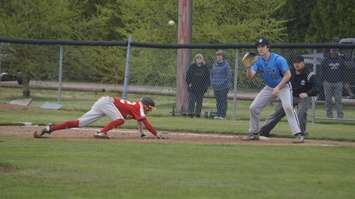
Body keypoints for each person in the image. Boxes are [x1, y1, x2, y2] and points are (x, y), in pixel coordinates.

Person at [245, 38, 304, 143]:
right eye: (258, 47)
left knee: (288, 107)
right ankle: (254, 133)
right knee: (253, 107)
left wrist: (278, 88)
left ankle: (298, 134)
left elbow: (288, 75)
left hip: (284, 86)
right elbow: (250, 76)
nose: (260, 49)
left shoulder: (278, 59)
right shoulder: (257, 61)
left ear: (268, 47)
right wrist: (249, 67)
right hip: (269, 87)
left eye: (262, 46)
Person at [33, 96, 164, 139]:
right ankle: (101, 132)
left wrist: (141, 134)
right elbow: (145, 121)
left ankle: (50, 128)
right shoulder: (140, 106)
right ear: (146, 105)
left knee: (79, 123)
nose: (149, 110)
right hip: (107, 103)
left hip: (104, 103)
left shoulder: (138, 108)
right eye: (150, 108)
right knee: (120, 120)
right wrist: (156, 134)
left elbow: (140, 121)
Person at [258, 55, 319, 137]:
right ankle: (264, 131)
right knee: (278, 111)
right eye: (295, 63)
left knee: (301, 112)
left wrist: (307, 93)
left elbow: (317, 88)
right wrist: (276, 93)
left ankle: (300, 133)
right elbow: (281, 83)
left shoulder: (309, 73)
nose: (296, 64)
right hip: (291, 96)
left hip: (304, 97)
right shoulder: (289, 72)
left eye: (299, 63)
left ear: (303, 63)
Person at [320, 48, 345, 119]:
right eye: (332, 50)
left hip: (338, 83)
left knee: (338, 100)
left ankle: (340, 116)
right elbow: (322, 72)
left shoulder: (340, 60)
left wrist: (342, 81)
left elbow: (344, 71)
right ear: (330, 50)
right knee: (328, 100)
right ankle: (329, 116)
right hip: (327, 82)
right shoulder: (325, 60)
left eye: (335, 50)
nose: (334, 51)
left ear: (337, 51)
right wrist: (323, 81)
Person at [186, 53, 210, 117]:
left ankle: (197, 113)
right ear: (195, 59)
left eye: (200, 58)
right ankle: (190, 113)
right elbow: (188, 76)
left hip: (201, 88)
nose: (199, 59)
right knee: (192, 100)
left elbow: (207, 78)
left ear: (202, 59)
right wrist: (189, 83)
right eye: (197, 58)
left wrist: (206, 87)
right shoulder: (192, 66)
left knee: (199, 102)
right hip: (193, 87)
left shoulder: (205, 68)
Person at [210, 50, 232, 119]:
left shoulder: (226, 65)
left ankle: (222, 115)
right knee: (218, 101)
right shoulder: (214, 65)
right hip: (215, 87)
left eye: (220, 56)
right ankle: (218, 114)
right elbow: (211, 74)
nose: (218, 57)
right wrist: (212, 82)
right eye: (217, 56)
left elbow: (228, 76)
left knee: (223, 101)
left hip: (224, 87)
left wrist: (221, 83)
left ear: (222, 57)